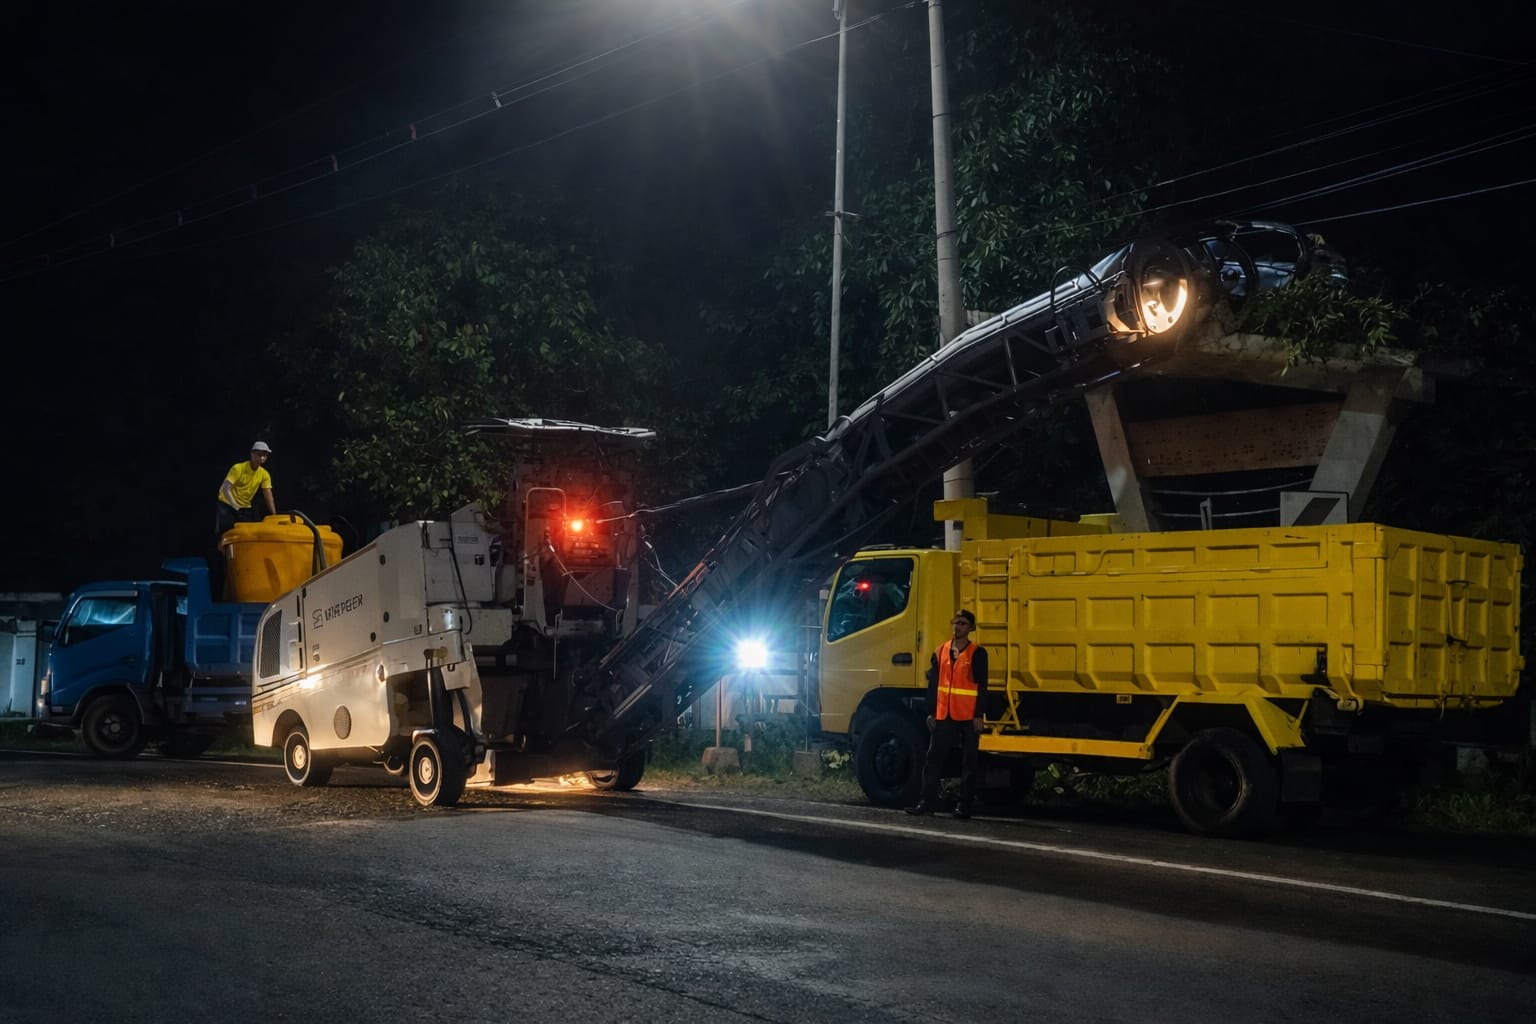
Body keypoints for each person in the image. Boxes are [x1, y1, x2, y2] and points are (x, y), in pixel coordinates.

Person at [906, 608, 989, 820]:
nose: (957, 627)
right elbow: (933, 684)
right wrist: (931, 712)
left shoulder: (977, 653)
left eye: (962, 623)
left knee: (969, 762)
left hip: (968, 715)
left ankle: (964, 805)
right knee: (933, 759)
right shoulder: (940, 651)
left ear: (971, 628)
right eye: (955, 622)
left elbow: (982, 686)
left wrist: (979, 715)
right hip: (944, 714)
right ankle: (926, 802)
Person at [215, 441, 277, 538]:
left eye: (265, 456)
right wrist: (234, 505)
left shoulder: (264, 474)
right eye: (259, 455)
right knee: (225, 532)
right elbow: (225, 488)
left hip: (244, 506)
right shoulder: (238, 468)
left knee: (247, 533)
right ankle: (223, 549)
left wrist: (274, 515)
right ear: (252, 453)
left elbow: (268, 495)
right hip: (227, 503)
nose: (262, 458)